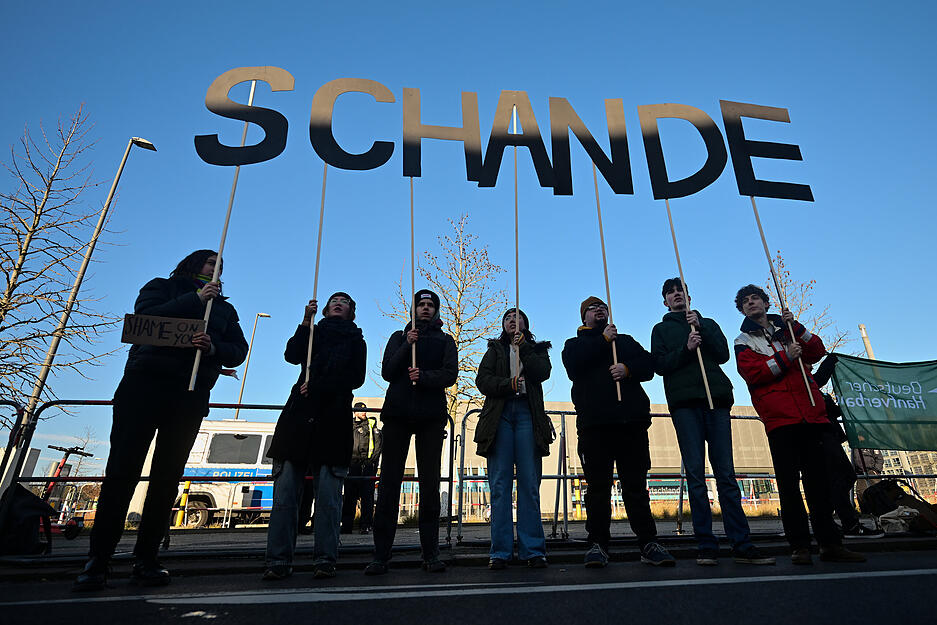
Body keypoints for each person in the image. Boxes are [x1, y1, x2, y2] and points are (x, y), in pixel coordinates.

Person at [74, 250, 248, 591]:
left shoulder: (225, 310)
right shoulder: (161, 287)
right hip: (144, 387)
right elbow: (146, 319)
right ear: (194, 265)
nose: (217, 269)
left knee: (167, 477)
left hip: (189, 393)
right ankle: (98, 558)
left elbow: (238, 349)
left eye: (222, 266)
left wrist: (213, 348)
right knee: (122, 470)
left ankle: (147, 557)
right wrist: (194, 300)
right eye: (211, 263)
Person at [733, 284, 865, 564]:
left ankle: (829, 543)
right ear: (741, 309)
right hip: (780, 419)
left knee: (820, 483)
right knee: (789, 486)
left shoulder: (789, 329)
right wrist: (785, 357)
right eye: (745, 301)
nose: (751, 302)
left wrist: (798, 326)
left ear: (766, 302)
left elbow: (817, 351)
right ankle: (800, 546)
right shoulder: (743, 340)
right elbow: (753, 373)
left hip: (810, 415)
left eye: (755, 297)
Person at [651, 278, 774, 565]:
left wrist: (702, 327)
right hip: (685, 405)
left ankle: (741, 543)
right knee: (695, 475)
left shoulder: (707, 322)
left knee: (726, 476)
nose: (676, 295)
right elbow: (659, 365)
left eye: (680, 291)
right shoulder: (661, 329)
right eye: (670, 293)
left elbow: (722, 354)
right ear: (665, 301)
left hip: (715, 401)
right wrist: (685, 348)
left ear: (689, 297)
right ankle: (706, 543)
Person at [561, 296, 675, 568]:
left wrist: (628, 368)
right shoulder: (575, 344)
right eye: (592, 308)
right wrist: (602, 342)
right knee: (598, 489)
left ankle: (648, 542)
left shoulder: (624, 341)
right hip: (595, 426)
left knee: (636, 487)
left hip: (630, 424)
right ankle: (598, 543)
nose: (599, 310)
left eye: (603, 307)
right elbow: (574, 367)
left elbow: (649, 366)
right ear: (583, 317)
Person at [262, 293, 366, 580]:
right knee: (285, 496)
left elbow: (356, 377)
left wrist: (320, 386)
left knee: (329, 498)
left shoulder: (356, 340)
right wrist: (305, 321)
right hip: (298, 419)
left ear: (351, 312)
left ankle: (324, 558)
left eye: (344, 301)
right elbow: (292, 354)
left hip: (332, 421)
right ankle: (278, 560)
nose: (338, 302)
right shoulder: (313, 332)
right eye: (334, 299)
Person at [365, 290, 457, 575]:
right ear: (414, 309)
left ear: (436, 310)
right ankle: (381, 554)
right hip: (398, 415)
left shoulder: (445, 340)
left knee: (429, 484)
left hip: (430, 417)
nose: (426, 309)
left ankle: (430, 552)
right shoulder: (398, 336)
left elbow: (450, 374)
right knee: (390, 483)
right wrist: (407, 344)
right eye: (421, 304)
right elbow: (388, 371)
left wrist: (425, 377)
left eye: (431, 305)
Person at [475, 308, 553, 570]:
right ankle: (500, 551)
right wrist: (507, 385)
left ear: (525, 325)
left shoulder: (537, 349)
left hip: (527, 415)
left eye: (517, 317)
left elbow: (542, 372)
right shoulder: (495, 350)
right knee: (500, 485)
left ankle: (533, 550)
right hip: (500, 416)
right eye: (508, 317)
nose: (512, 320)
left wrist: (527, 350)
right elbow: (482, 380)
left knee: (530, 484)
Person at [812, 355, 884, 538]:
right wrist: (829, 363)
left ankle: (835, 523)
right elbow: (817, 382)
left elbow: (833, 409)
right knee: (841, 477)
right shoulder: (804, 382)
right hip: (821, 435)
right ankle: (847, 523)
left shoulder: (814, 387)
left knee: (839, 479)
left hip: (828, 434)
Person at [341, 402, 382, 534]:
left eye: (365, 410)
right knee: (349, 496)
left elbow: (378, 446)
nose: (364, 412)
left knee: (367, 497)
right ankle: (347, 526)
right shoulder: (348, 426)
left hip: (367, 465)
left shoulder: (371, 426)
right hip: (352, 465)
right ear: (355, 412)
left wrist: (372, 462)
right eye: (360, 410)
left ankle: (366, 525)